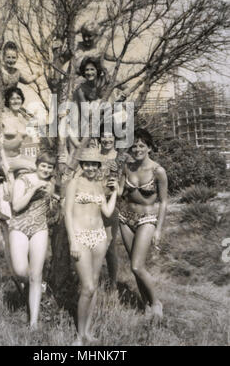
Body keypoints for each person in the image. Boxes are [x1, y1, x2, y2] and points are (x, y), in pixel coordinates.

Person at [65, 148, 119, 345]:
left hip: (99, 237)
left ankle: (88, 331)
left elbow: (106, 211)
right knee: (87, 286)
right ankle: (79, 336)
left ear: (98, 167)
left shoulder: (98, 186)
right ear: (82, 165)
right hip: (80, 237)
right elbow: (68, 213)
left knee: (94, 286)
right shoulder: (74, 183)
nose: (89, 167)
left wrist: (115, 192)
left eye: (93, 164)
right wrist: (72, 240)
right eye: (86, 164)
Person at [119, 128, 168, 318]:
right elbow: (119, 191)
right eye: (134, 145)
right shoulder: (127, 167)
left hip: (147, 219)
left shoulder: (158, 171)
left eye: (141, 145)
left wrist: (158, 230)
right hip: (125, 218)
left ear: (149, 147)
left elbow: (163, 201)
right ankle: (145, 303)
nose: (137, 149)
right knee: (134, 266)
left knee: (137, 266)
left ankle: (156, 303)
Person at [9, 152, 56, 330]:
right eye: (43, 165)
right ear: (37, 165)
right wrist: (33, 189)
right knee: (21, 270)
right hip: (19, 226)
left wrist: (53, 199)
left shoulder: (51, 184)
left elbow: (50, 211)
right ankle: (37, 285)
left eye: (50, 167)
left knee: (36, 274)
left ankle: (34, 323)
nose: (46, 169)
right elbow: (16, 206)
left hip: (40, 228)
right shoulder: (23, 179)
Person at [96, 132, 120, 289]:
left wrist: (118, 172)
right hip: (93, 206)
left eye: (110, 137)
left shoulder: (120, 157)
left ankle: (113, 284)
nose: (107, 140)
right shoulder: (94, 156)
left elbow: (124, 184)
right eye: (103, 137)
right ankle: (93, 281)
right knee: (93, 245)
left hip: (111, 205)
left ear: (115, 139)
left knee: (109, 247)